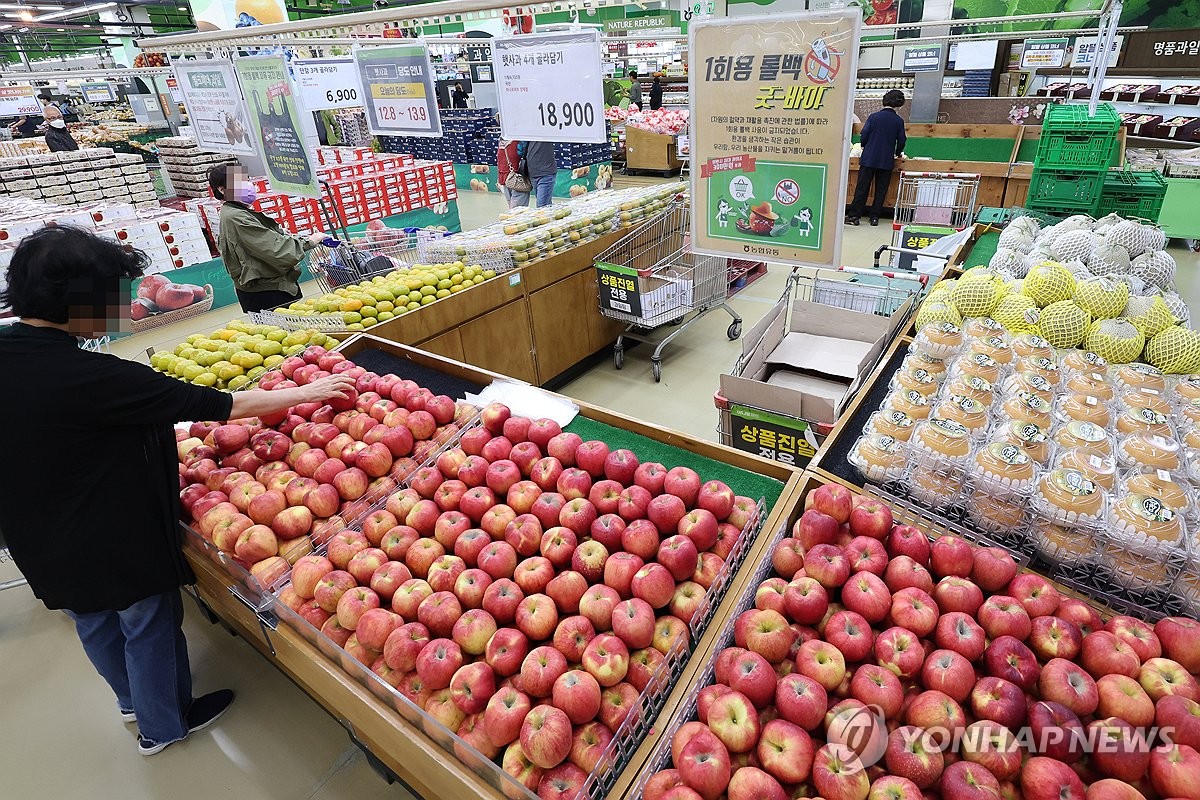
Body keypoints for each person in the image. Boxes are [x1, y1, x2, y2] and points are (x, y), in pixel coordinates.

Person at [0, 225, 356, 756]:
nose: (123, 306)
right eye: (114, 295)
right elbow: (217, 406)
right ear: (79, 300)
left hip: (35, 533)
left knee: (90, 618)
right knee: (147, 620)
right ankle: (163, 724)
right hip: (110, 534)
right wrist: (311, 389)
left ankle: (130, 700)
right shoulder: (94, 376)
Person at [209, 165, 325, 314]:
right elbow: (275, 249)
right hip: (268, 291)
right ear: (222, 189)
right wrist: (310, 241)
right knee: (286, 326)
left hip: (264, 288)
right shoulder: (236, 217)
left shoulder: (235, 211)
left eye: (246, 180)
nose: (246, 185)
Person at [847, 89, 907, 227]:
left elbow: (864, 134)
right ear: (899, 104)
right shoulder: (898, 121)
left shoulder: (874, 117)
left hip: (869, 158)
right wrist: (898, 152)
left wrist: (864, 145)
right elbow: (902, 140)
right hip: (886, 160)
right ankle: (874, 217)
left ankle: (854, 216)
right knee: (881, 190)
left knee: (862, 188)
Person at [517, 140, 557, 208]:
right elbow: (520, 151)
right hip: (532, 173)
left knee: (542, 205)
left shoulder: (547, 135)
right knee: (544, 205)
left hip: (546, 173)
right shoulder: (526, 136)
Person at [497, 133, 529, 209]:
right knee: (518, 210)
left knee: (512, 208)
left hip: (505, 178)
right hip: (517, 179)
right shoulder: (518, 139)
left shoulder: (502, 140)